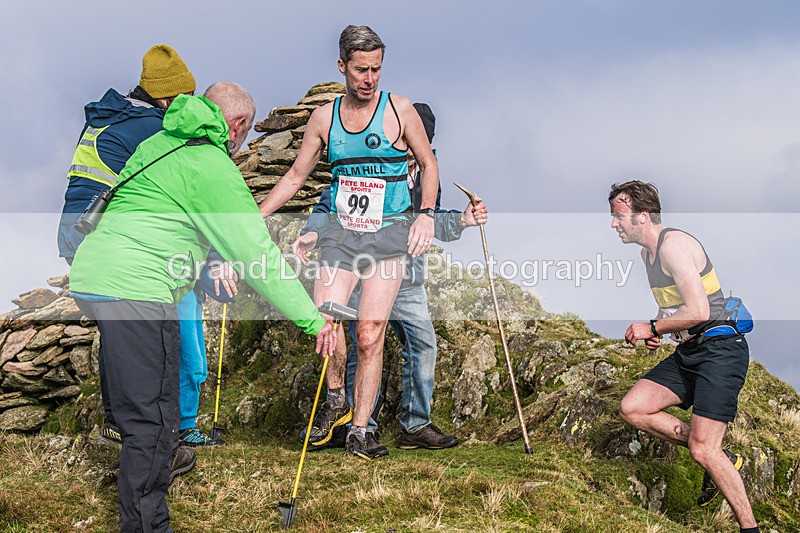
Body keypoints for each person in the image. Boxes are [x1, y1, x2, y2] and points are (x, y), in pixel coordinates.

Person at [69, 82, 337, 533]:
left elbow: (162, 224)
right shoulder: (211, 165)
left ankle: (155, 464)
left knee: (156, 407)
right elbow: (259, 257)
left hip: (100, 279)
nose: (244, 141)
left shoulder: (160, 142)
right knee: (152, 423)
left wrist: (204, 269)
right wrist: (313, 320)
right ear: (235, 126)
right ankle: (147, 524)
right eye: (246, 131)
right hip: (137, 290)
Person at [259, 25, 439, 460]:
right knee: (325, 319)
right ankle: (336, 396)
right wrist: (256, 216)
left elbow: (428, 165)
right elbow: (296, 176)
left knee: (371, 333)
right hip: (341, 235)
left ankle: (361, 430)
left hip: (390, 234)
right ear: (342, 66)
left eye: (376, 69)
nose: (369, 79)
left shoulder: (400, 110)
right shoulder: (325, 117)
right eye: (361, 70)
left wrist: (427, 217)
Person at [55, 44, 234, 448]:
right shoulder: (153, 129)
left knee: (119, 339)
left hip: (77, 234)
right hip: (118, 242)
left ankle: (116, 421)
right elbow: (191, 197)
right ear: (168, 98)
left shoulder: (108, 118)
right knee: (168, 337)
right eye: (183, 100)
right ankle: (177, 427)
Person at [293, 103, 488, 451]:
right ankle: (356, 425)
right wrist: (313, 232)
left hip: (407, 277)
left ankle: (415, 425)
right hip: (364, 266)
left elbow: (429, 220)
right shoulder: (371, 161)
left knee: (423, 343)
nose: (409, 152)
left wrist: (462, 221)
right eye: (406, 145)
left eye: (417, 146)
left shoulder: (429, 174)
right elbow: (330, 204)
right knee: (363, 343)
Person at [610, 181, 759, 533]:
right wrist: (662, 332)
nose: (613, 224)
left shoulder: (673, 247)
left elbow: (698, 309)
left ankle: (749, 528)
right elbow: (680, 309)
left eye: (618, 216)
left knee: (703, 450)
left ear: (642, 216)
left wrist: (652, 327)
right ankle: (724, 458)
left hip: (721, 351)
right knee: (633, 407)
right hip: (690, 350)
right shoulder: (647, 254)